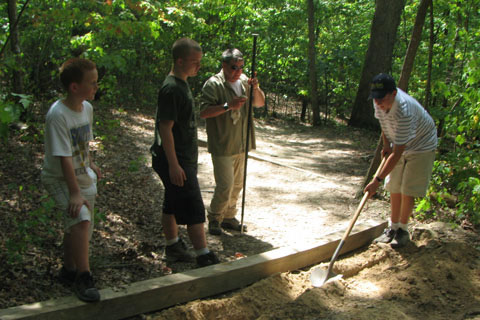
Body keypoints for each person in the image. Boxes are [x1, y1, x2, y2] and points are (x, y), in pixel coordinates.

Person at [151, 37, 219, 267]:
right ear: (179, 61)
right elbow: (165, 128)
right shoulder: (171, 88)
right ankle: (203, 254)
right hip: (175, 159)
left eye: (200, 62)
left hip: (181, 158)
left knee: (171, 202)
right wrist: (173, 164)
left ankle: (173, 246)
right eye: (194, 62)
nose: (198, 67)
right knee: (193, 206)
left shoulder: (182, 83)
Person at [41, 58, 102, 302]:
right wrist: (75, 193)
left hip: (81, 173)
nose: (97, 87)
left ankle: (68, 270)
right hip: (59, 177)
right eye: (92, 83)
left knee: (78, 228)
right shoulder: (57, 115)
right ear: (74, 87)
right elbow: (64, 158)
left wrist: (90, 163)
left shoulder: (87, 108)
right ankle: (84, 277)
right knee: (80, 220)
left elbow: (82, 143)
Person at [364, 73, 437, 248]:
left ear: (394, 94)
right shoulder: (379, 104)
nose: (378, 102)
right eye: (375, 98)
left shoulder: (404, 111)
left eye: (381, 98)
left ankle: (402, 231)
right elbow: (383, 124)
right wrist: (386, 143)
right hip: (400, 141)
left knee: (407, 188)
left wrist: (376, 181)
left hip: (421, 146)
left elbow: (397, 154)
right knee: (394, 185)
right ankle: (392, 227)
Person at [199, 48, 265, 235]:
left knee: (237, 184)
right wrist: (228, 106)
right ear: (224, 65)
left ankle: (229, 216)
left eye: (241, 68)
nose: (238, 72)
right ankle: (214, 217)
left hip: (242, 143)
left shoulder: (245, 82)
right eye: (234, 68)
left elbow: (259, 103)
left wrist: (256, 88)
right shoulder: (213, 84)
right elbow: (204, 112)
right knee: (225, 185)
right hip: (223, 144)